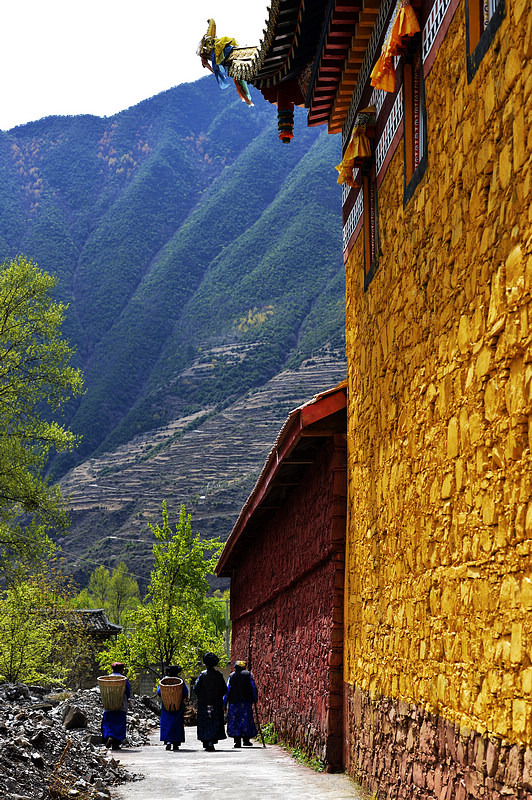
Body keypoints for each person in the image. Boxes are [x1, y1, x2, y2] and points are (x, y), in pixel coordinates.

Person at [193, 652, 227, 751]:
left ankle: (206, 742)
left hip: (203, 704)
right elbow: (224, 690)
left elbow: (196, 688)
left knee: (205, 723)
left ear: (205, 664)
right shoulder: (219, 675)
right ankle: (211, 742)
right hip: (216, 704)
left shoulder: (202, 675)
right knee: (214, 723)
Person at [224, 660, 258, 748]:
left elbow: (227, 689)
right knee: (246, 720)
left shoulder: (231, 676)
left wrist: (224, 702)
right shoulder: (248, 675)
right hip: (246, 702)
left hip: (234, 702)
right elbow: (253, 687)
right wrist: (254, 698)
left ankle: (237, 741)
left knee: (235, 721)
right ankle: (246, 740)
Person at [157, 664, 189, 751]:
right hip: (177, 706)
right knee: (177, 724)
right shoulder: (180, 681)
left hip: (166, 706)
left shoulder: (164, 681)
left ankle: (168, 741)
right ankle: (176, 743)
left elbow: (159, 692)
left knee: (166, 723)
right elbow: (185, 693)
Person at [102, 661, 131, 751]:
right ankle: (116, 743)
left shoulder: (107, 679)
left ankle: (109, 736)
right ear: (121, 670)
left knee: (108, 723)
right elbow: (128, 692)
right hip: (120, 705)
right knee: (119, 724)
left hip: (109, 704)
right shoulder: (123, 679)